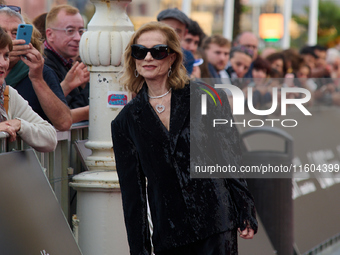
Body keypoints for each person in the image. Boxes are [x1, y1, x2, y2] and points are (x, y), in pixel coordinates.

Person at [111, 21, 257, 255]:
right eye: (140, 51)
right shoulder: (125, 121)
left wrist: (246, 209)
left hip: (216, 220)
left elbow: (230, 156)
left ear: (171, 58)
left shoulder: (206, 97)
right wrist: (139, 249)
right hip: (170, 231)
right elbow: (132, 194)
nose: (148, 58)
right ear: (133, 59)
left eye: (157, 51)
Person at [0, 6, 72, 131]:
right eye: (2, 32)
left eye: (15, 33)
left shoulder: (38, 70)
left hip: (27, 149)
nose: (9, 40)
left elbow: (64, 122)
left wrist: (38, 79)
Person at [0, 26, 57, 152]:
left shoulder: (7, 94)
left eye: (6, 56)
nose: (3, 63)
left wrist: (19, 124)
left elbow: (51, 138)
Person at [45, 4, 89, 123]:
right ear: (50, 34)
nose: (78, 38)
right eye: (70, 31)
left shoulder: (67, 62)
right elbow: (67, 111)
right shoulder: (44, 65)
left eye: (80, 31)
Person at [157, 8, 195, 76]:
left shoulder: (187, 57)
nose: (172, 35)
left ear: (185, 34)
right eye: (168, 29)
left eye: (177, 31)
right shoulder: (144, 51)